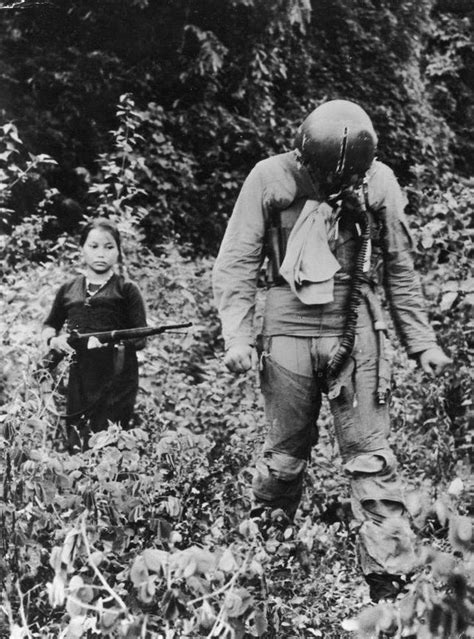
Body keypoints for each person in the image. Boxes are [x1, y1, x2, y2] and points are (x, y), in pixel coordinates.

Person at [212, 99, 451, 601]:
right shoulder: (269, 179)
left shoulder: (379, 183)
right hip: (287, 331)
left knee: (371, 460)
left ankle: (391, 592)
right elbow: (237, 261)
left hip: (357, 328)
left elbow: (400, 268)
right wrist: (236, 335)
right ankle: (260, 573)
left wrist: (422, 342)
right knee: (283, 461)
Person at [42, 217, 147, 453]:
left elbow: (140, 337)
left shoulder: (126, 289)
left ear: (118, 251)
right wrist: (54, 340)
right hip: (80, 375)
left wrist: (105, 341)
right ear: (82, 250)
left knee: (109, 444)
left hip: (117, 378)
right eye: (94, 246)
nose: (101, 254)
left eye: (109, 247)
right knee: (77, 442)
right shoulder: (69, 289)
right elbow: (50, 325)